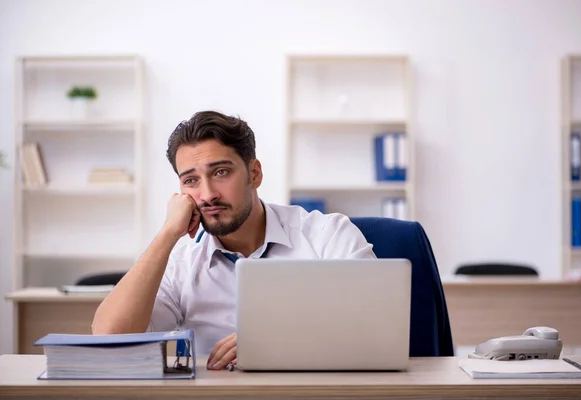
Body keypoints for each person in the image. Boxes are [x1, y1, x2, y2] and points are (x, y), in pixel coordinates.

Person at [92, 110, 376, 370]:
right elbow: (111, 339)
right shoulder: (182, 260)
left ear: (254, 173)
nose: (207, 194)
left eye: (220, 172)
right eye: (190, 180)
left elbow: (375, 321)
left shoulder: (327, 234)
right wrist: (168, 234)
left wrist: (280, 337)